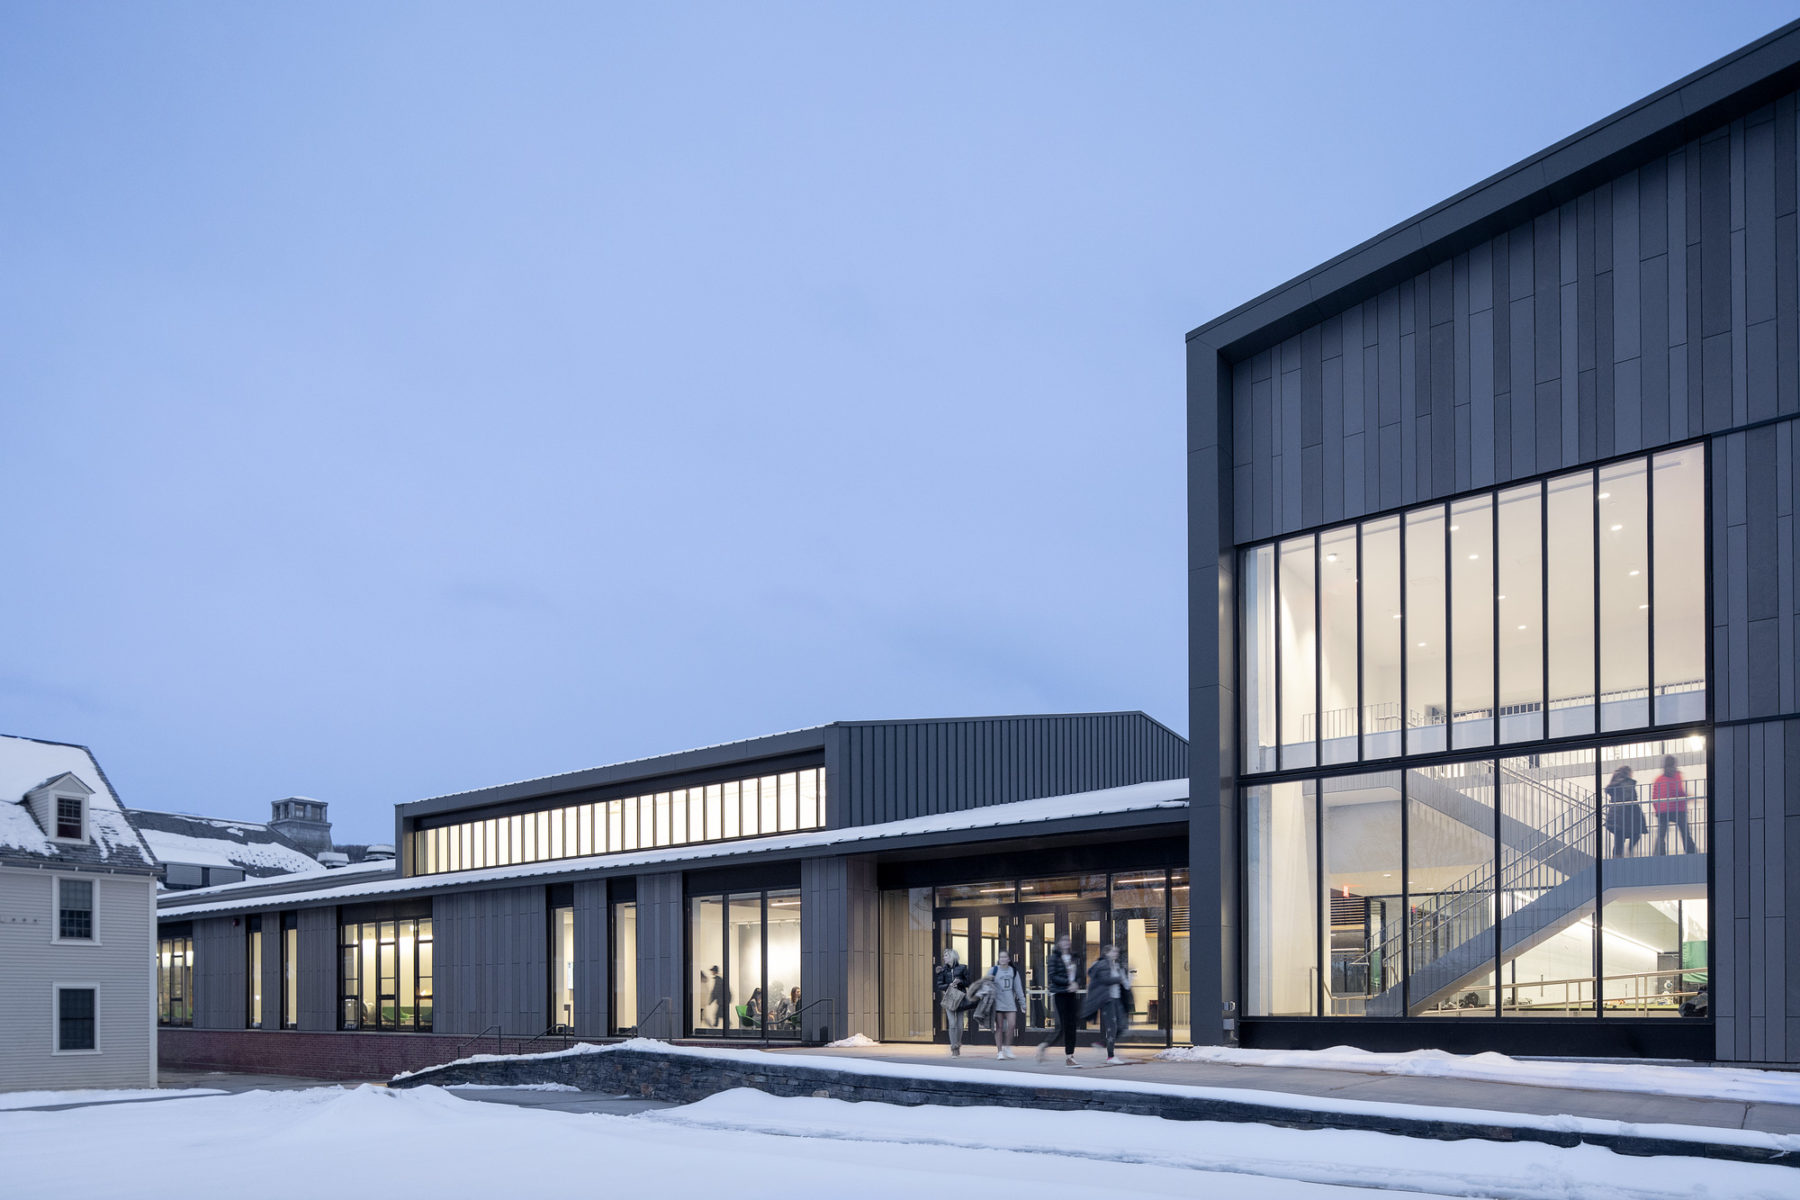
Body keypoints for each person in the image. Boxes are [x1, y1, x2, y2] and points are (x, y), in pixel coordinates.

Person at [1034, 934, 1084, 1065]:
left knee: (1072, 1026)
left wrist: (1077, 983)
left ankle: (1070, 1057)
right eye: (1063, 940)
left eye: (1068, 940)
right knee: (1061, 1026)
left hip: (1072, 994)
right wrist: (1069, 983)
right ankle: (1044, 1045)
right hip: (1060, 994)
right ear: (1059, 943)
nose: (1066, 942)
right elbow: (1053, 976)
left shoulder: (1074, 957)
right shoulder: (1054, 958)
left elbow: (1079, 974)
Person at [1080, 944, 1130, 1065]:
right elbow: (1105, 979)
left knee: (1122, 1026)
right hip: (1107, 1000)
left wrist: (1125, 978)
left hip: (1116, 999)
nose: (1116, 953)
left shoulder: (1115, 965)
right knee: (1111, 1028)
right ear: (1106, 953)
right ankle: (1110, 1056)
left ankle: (1102, 1043)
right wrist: (1119, 978)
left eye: (1116, 951)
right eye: (1113, 951)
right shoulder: (1103, 964)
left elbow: (1124, 983)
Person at [1651, 755, 1697, 856]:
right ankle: (1691, 852)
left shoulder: (1658, 779)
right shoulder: (1677, 775)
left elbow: (1654, 796)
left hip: (1662, 810)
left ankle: (1658, 854)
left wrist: (1657, 810)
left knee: (1661, 835)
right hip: (1678, 809)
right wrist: (1690, 797)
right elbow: (1679, 791)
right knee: (1685, 832)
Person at [986, 949, 1027, 1059]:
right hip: (997, 1003)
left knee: (1012, 1025)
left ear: (1009, 959)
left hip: (1010, 1003)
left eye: (1005, 957)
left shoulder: (1013, 971)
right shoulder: (994, 970)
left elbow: (1018, 988)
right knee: (999, 1027)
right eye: (1001, 957)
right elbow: (985, 983)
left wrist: (1023, 1003)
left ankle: (1007, 1048)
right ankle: (999, 1051)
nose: (1003, 959)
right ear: (998, 959)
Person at [933, 948, 972, 1056]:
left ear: (952, 957)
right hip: (949, 996)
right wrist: (948, 985)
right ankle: (954, 1047)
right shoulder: (942, 970)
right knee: (952, 1023)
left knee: (960, 1024)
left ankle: (958, 1043)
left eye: (946, 956)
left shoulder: (962, 968)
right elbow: (939, 985)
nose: (944, 958)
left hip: (960, 996)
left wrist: (960, 981)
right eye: (944, 956)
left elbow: (968, 982)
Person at [1603, 765, 1646, 858]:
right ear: (1628, 773)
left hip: (1616, 815)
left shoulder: (1615, 783)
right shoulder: (1626, 783)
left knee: (1619, 838)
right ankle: (1628, 852)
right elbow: (1628, 799)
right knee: (1635, 833)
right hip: (1624, 815)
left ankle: (1616, 858)